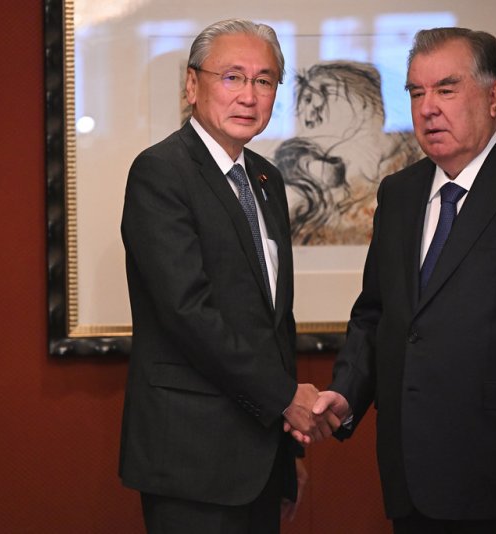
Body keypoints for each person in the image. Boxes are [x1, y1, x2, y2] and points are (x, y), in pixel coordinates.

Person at [309, 27, 496, 533]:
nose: (428, 108)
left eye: (446, 89)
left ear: (493, 97)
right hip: (413, 482)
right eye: (416, 92)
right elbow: (377, 314)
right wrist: (345, 394)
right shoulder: (398, 194)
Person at [119, 19, 337, 534]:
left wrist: (288, 453)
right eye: (232, 77)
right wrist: (286, 398)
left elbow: (274, 322)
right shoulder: (161, 172)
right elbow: (188, 313)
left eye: (264, 80)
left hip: (262, 460)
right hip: (192, 460)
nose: (249, 95)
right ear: (192, 85)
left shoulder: (266, 178)